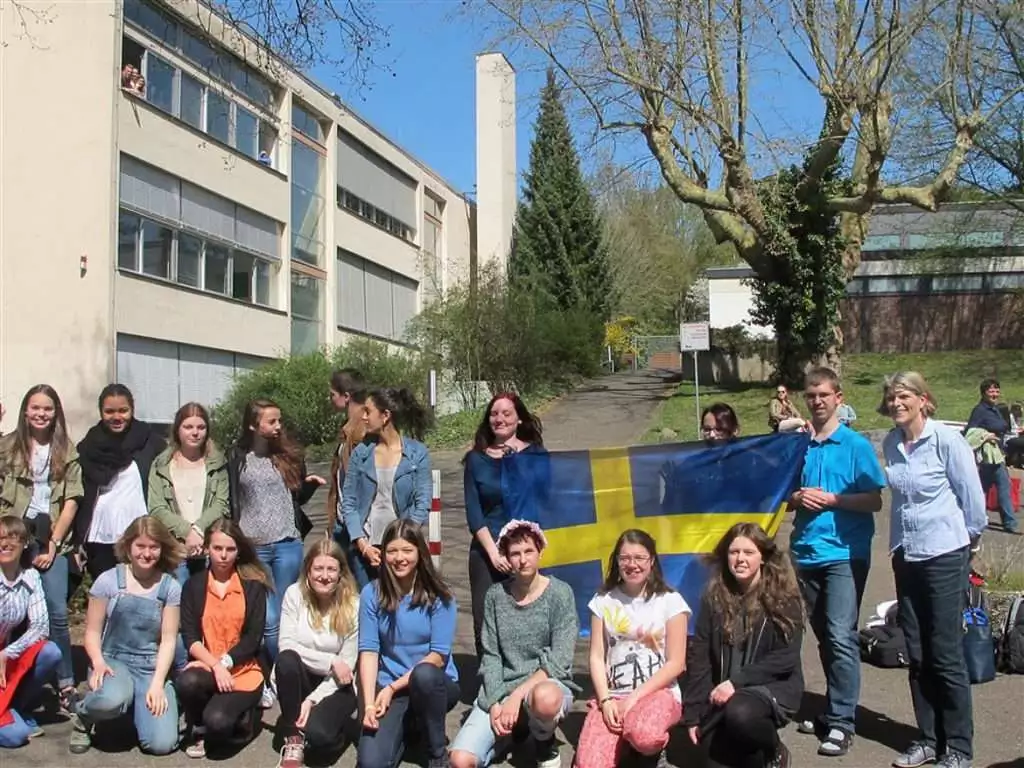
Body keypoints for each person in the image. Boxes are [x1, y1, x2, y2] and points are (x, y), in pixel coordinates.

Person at [879, 372, 986, 768]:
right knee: (917, 651)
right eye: (892, 397)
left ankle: (958, 747)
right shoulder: (892, 443)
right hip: (906, 554)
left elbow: (972, 499)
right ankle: (928, 738)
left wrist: (969, 543)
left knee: (945, 654)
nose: (896, 403)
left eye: (903, 396)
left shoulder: (946, 440)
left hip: (944, 553)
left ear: (924, 399)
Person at [788, 367, 885, 756]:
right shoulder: (799, 446)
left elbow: (875, 500)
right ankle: (832, 708)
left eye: (824, 395)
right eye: (811, 395)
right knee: (824, 637)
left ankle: (843, 722)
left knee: (842, 635)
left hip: (845, 553)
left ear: (838, 398)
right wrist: (796, 498)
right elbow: (783, 494)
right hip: (805, 552)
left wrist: (834, 500)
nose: (817, 401)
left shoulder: (856, 445)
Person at [450, 520, 577, 768]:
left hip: (545, 685)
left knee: (545, 698)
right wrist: (497, 701)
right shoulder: (495, 596)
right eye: (515, 553)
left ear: (540, 551)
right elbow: (491, 655)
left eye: (528, 551)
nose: (522, 560)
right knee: (460, 760)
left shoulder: (560, 594)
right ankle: (509, 733)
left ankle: (544, 742)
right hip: (502, 687)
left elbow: (560, 660)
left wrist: (517, 696)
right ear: (507, 557)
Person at [683, 522, 804, 768]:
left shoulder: (784, 598)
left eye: (748, 553)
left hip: (771, 688)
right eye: (733, 552)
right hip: (724, 694)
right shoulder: (713, 597)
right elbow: (701, 656)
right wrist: (694, 714)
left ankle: (774, 750)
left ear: (762, 558)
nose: (740, 559)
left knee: (740, 715)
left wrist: (736, 683)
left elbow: (785, 658)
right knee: (711, 755)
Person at [68, 516, 184, 756]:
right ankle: (83, 716)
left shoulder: (170, 587)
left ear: (162, 549)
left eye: (154, 547)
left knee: (162, 744)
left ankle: (138, 709)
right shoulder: (108, 581)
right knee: (112, 698)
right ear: (128, 547)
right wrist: (98, 663)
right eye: (140, 546)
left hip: (149, 666)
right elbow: (91, 631)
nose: (147, 553)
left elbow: (169, 639)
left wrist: (158, 684)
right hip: (112, 661)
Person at [0, 385, 83, 712]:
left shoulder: (67, 450)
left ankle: (65, 684)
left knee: (56, 611)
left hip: (53, 538)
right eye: (35, 407)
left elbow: (72, 501)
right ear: (25, 411)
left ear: (56, 413)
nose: (41, 414)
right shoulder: (8, 447)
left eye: (47, 408)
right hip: (13, 536)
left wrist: (53, 543)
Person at [574, 529, 688, 768]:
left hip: (659, 693)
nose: (632, 564)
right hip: (614, 695)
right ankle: (625, 745)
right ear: (617, 561)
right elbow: (596, 656)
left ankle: (653, 753)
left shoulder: (670, 601)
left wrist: (633, 700)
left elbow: (676, 663)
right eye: (625, 558)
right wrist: (605, 701)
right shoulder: (603, 601)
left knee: (645, 735)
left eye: (639, 558)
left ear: (652, 561)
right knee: (589, 764)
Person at [227, 399, 324, 673]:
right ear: (253, 425)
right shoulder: (236, 457)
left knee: (284, 614)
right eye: (271, 421)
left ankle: (284, 675)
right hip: (253, 546)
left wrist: (310, 487)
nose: (278, 426)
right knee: (268, 618)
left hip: (286, 544)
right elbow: (233, 498)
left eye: (279, 420)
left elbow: (297, 497)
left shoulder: (289, 454)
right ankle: (278, 672)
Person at [356, 518, 459, 768]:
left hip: (434, 685)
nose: (399, 558)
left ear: (419, 553)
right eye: (392, 550)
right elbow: (369, 651)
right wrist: (368, 704)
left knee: (424, 675)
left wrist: (392, 688)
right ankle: (411, 728)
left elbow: (438, 657)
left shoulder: (440, 596)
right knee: (371, 763)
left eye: (407, 550)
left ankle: (436, 753)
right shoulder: (371, 593)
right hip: (391, 687)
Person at [176, 518, 270, 759]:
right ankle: (197, 726)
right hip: (209, 665)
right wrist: (215, 666)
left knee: (218, 723)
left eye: (230, 549)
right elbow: (191, 637)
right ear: (207, 548)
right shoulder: (193, 586)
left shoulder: (253, 586)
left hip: (244, 671)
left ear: (239, 552)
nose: (224, 555)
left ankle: (242, 716)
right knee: (188, 682)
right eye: (217, 548)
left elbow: (252, 638)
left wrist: (225, 663)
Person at [463, 392, 546, 655]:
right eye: (494, 414)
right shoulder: (475, 460)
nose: (499, 419)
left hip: (528, 551)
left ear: (519, 419)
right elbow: (474, 512)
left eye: (506, 413)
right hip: (488, 552)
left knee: (528, 618)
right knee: (485, 621)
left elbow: (547, 500)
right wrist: (494, 551)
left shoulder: (536, 456)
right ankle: (489, 681)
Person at [274, 536, 360, 768]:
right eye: (318, 568)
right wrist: (331, 659)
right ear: (308, 571)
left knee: (320, 737)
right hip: (301, 678)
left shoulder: (353, 604)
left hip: (336, 685)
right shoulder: (294, 594)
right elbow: (287, 645)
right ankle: (293, 738)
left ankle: (338, 731)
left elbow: (347, 667)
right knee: (286, 660)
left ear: (341, 572)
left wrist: (312, 700)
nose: (324, 575)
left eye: (331, 569)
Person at [342, 388, 432, 589]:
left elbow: (423, 502)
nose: (363, 417)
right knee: (368, 608)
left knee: (402, 608)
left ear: (385, 416)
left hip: (403, 547)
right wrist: (362, 544)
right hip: (366, 547)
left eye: (368, 411)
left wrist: (403, 542)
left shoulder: (417, 454)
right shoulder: (361, 454)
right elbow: (349, 502)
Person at [76, 384, 165, 581]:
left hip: (140, 533)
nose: (117, 417)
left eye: (123, 410)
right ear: (101, 412)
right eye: (109, 411)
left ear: (132, 410)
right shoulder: (88, 446)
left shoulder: (150, 442)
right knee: (107, 594)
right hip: (100, 536)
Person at [148, 402, 230, 585]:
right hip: (176, 550)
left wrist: (199, 530)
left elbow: (221, 503)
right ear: (178, 429)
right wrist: (187, 533)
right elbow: (157, 508)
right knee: (179, 605)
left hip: (210, 549)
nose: (195, 432)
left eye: (201, 427)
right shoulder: (161, 465)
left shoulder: (218, 463)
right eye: (188, 427)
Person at [0, 516, 61, 748]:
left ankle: (15, 705)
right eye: (0, 537)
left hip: (4, 655)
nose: (4, 543)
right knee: (16, 736)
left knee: (50, 652)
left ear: (25, 543)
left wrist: (7, 653)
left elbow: (40, 627)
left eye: (11, 537)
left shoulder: (31, 577)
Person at [327, 370, 370, 570]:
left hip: (355, 523)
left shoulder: (362, 429)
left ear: (346, 397)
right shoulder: (348, 428)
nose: (330, 399)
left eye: (332, 394)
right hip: (343, 520)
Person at [965, 378, 1019, 534]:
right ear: (983, 393)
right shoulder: (980, 410)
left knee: (1003, 487)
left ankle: (1009, 523)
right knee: (982, 489)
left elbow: (1003, 427)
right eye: (991, 391)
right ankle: (974, 517)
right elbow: (970, 431)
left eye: (997, 390)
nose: (995, 394)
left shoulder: (995, 409)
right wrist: (985, 436)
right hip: (986, 458)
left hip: (996, 455)